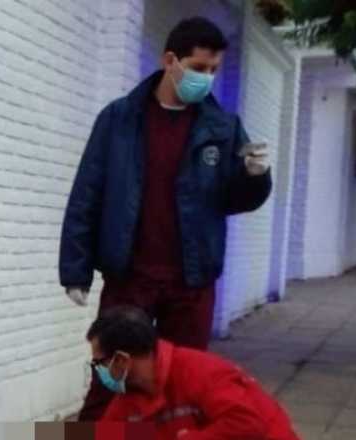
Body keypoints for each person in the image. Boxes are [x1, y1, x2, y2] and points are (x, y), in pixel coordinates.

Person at [59, 17, 272, 420]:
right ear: (170, 60)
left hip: (191, 282)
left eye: (213, 70)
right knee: (110, 383)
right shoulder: (120, 119)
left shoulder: (223, 127)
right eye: (198, 68)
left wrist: (255, 176)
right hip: (130, 276)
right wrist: (75, 269)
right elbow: (88, 192)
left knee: (183, 387)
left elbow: (234, 199)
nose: (206, 78)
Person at [87, 306, 299, 440]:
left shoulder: (201, 372)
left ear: (122, 360)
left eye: (99, 362)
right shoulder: (131, 396)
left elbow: (248, 424)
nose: (97, 370)